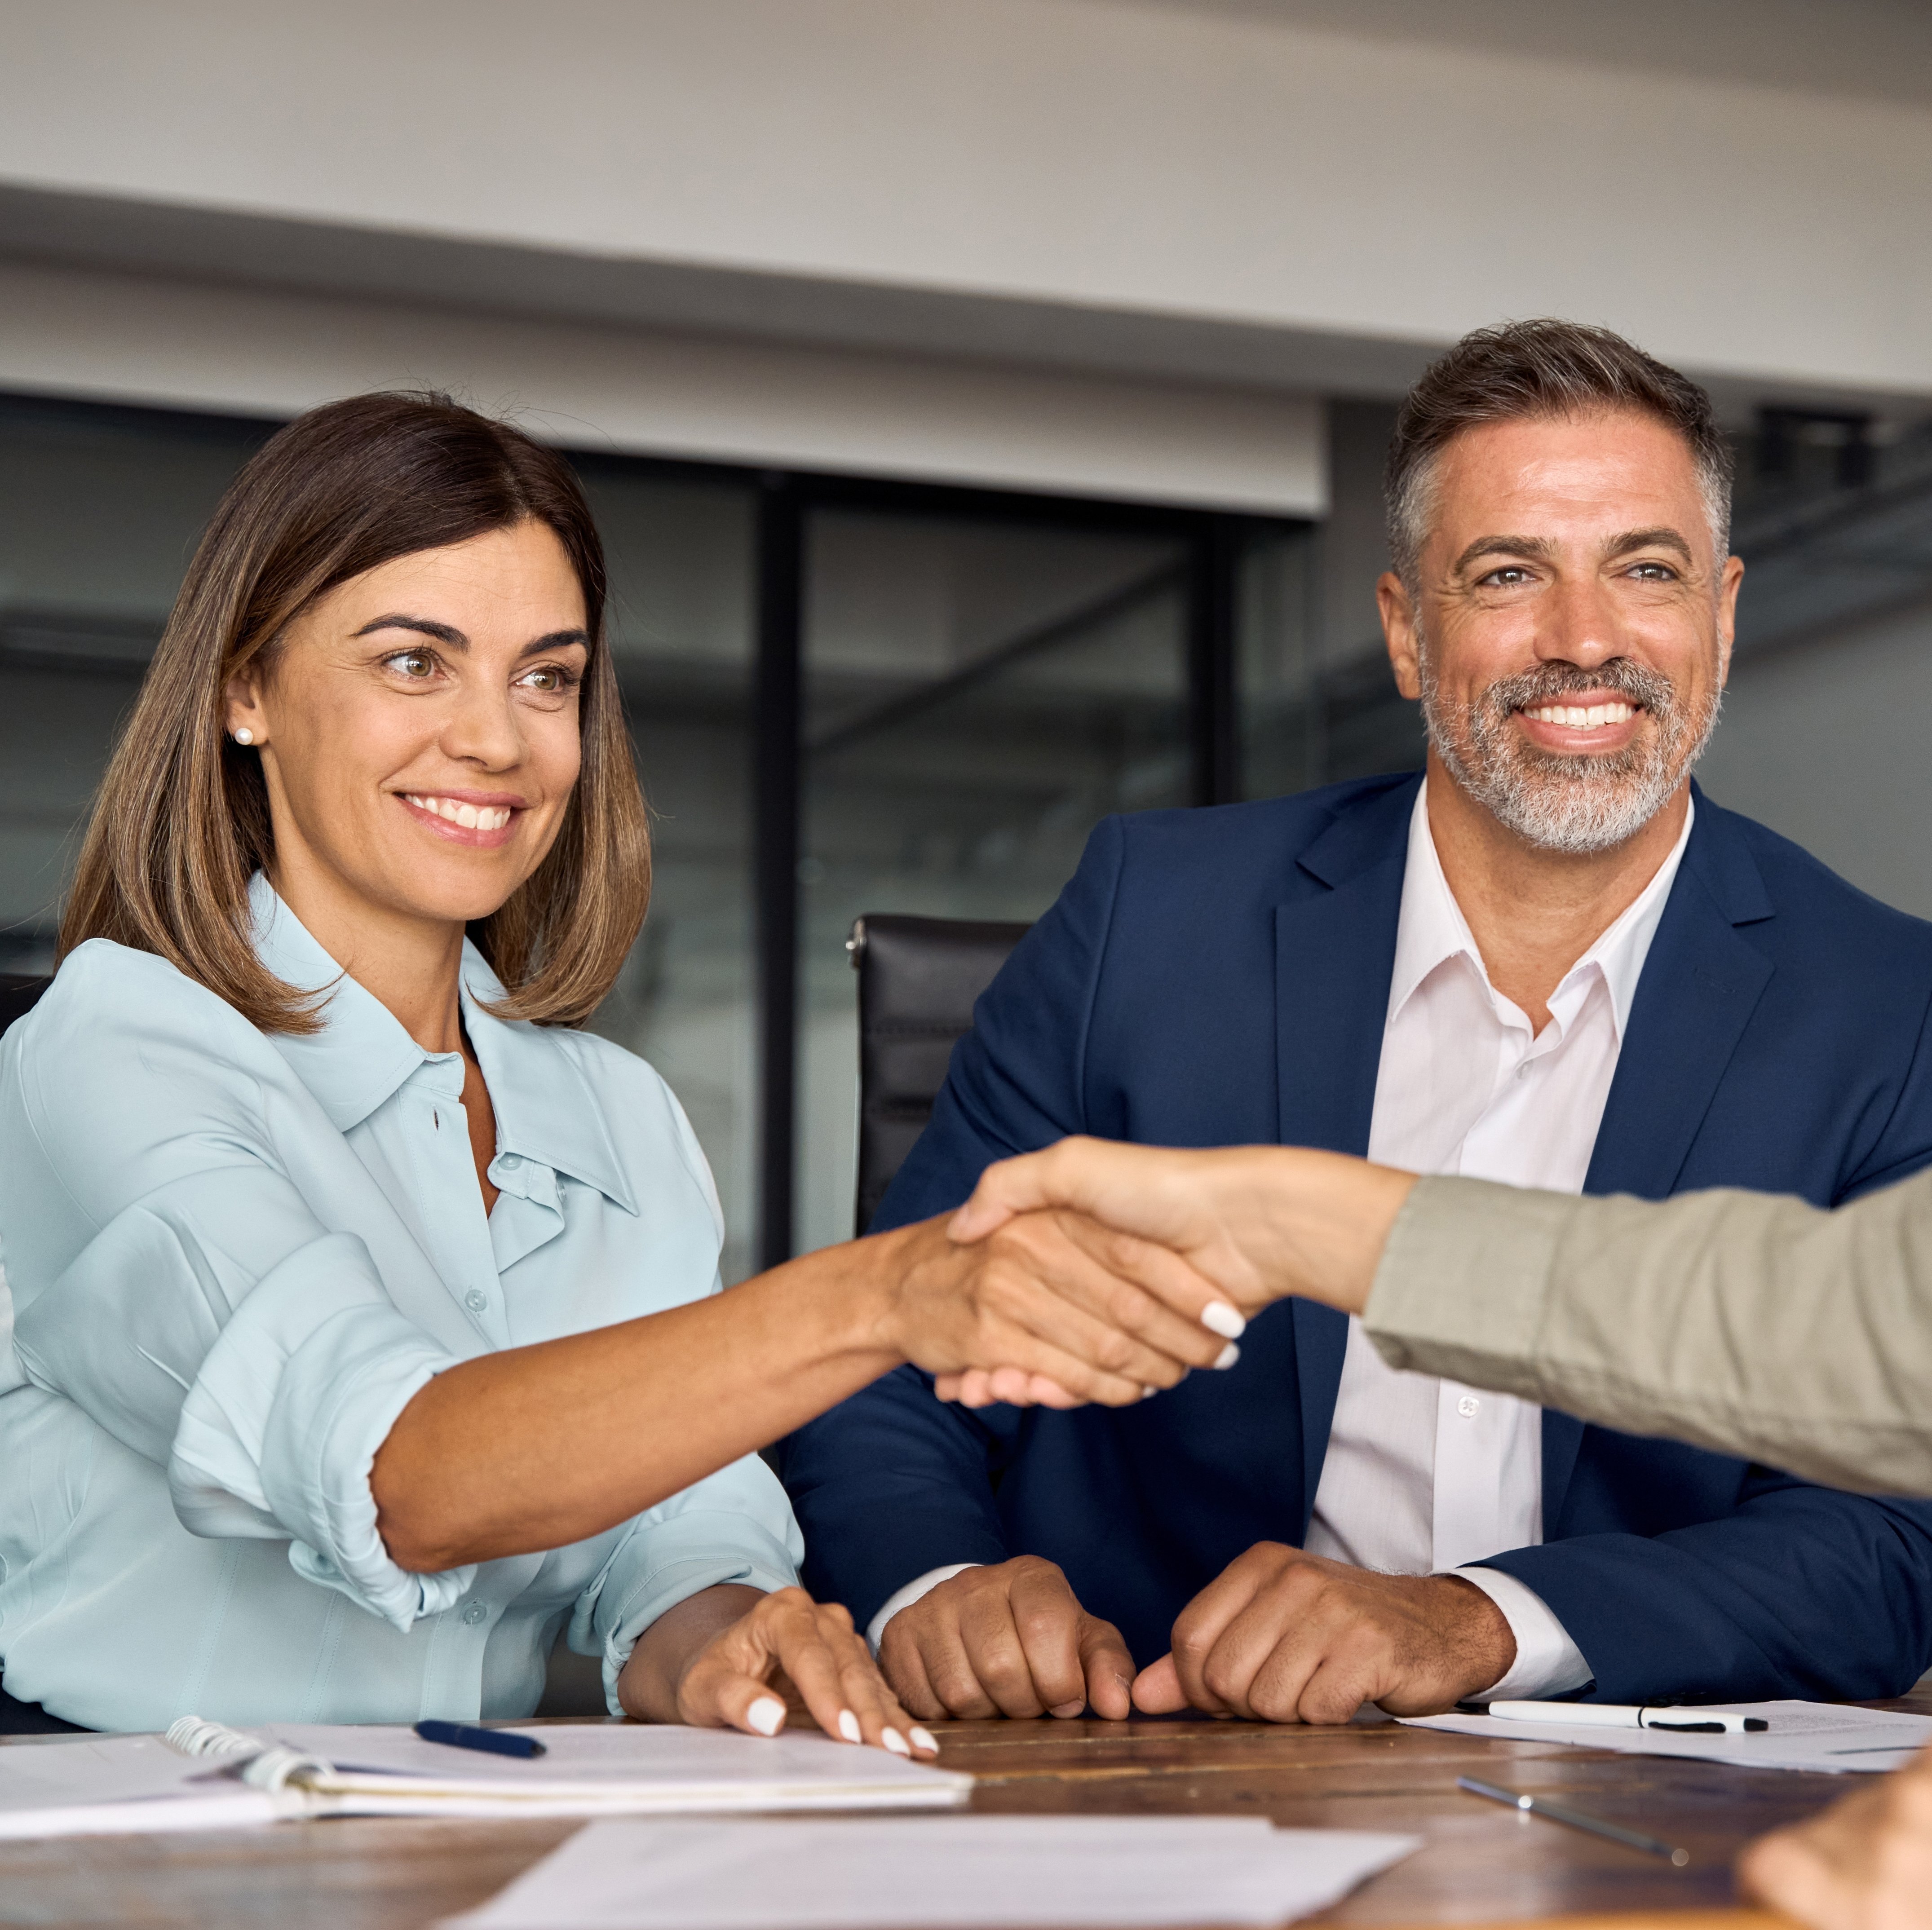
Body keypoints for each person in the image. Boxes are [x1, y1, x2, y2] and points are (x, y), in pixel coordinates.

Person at [0, 392, 1231, 1739]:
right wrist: (883, 1297)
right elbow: (399, 1471)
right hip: (136, 1815)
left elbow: (677, 1531)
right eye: (414, 662)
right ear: (247, 689)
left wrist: (720, 1636)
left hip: (476, 1811)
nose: (497, 739)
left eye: (547, 677)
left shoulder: (618, 1112)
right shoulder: (113, 1045)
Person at [781, 319, 1932, 1732]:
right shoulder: (1150, 917)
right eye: (1507, 574)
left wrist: (1480, 1621)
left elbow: (1894, 1531)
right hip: (1148, 1758)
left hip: (1626, 1782)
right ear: (1403, 630)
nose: (1583, 639)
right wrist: (937, 1582)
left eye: (1645, 570)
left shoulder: (1888, 1005)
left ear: (1722, 613)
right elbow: (883, 1343)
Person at [942, 1137, 1932, 1930]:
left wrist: (1476, 1619)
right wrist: (1279, 1222)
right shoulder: (1140, 951)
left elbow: (1868, 1407)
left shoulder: (1886, 999)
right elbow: (1844, 1308)